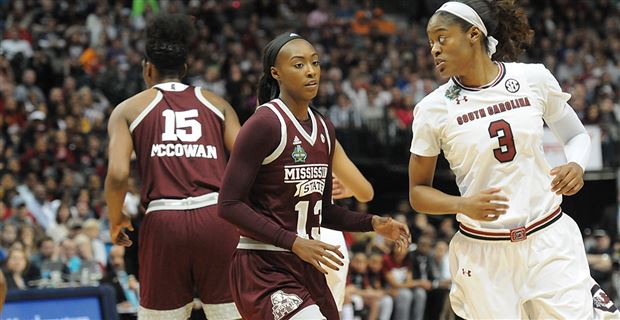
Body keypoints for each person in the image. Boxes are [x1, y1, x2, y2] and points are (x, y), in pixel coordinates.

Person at [408, 1, 619, 318]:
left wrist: (576, 164)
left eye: (441, 37)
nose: (434, 49)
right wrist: (461, 204)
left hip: (547, 238)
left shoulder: (532, 78)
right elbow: (417, 193)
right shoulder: (432, 108)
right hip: (484, 251)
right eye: (430, 42)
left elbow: (576, 135)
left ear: (474, 34)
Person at [218, 32, 411, 320]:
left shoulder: (324, 128)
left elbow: (324, 212)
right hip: (263, 265)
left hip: (306, 264)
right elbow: (228, 204)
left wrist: (372, 223)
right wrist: (294, 241)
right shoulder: (264, 123)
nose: (311, 71)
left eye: (315, 63)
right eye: (298, 64)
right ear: (276, 73)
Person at [104, 13, 241, 319]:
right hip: (217, 216)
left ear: (147, 68)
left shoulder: (127, 109)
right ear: (185, 69)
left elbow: (117, 175)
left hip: (164, 220)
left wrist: (116, 218)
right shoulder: (218, 104)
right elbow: (251, 161)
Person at [325, 140, 375, 313]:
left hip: (324, 234)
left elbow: (365, 192)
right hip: (288, 233)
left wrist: (349, 187)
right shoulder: (267, 123)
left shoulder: (323, 130)